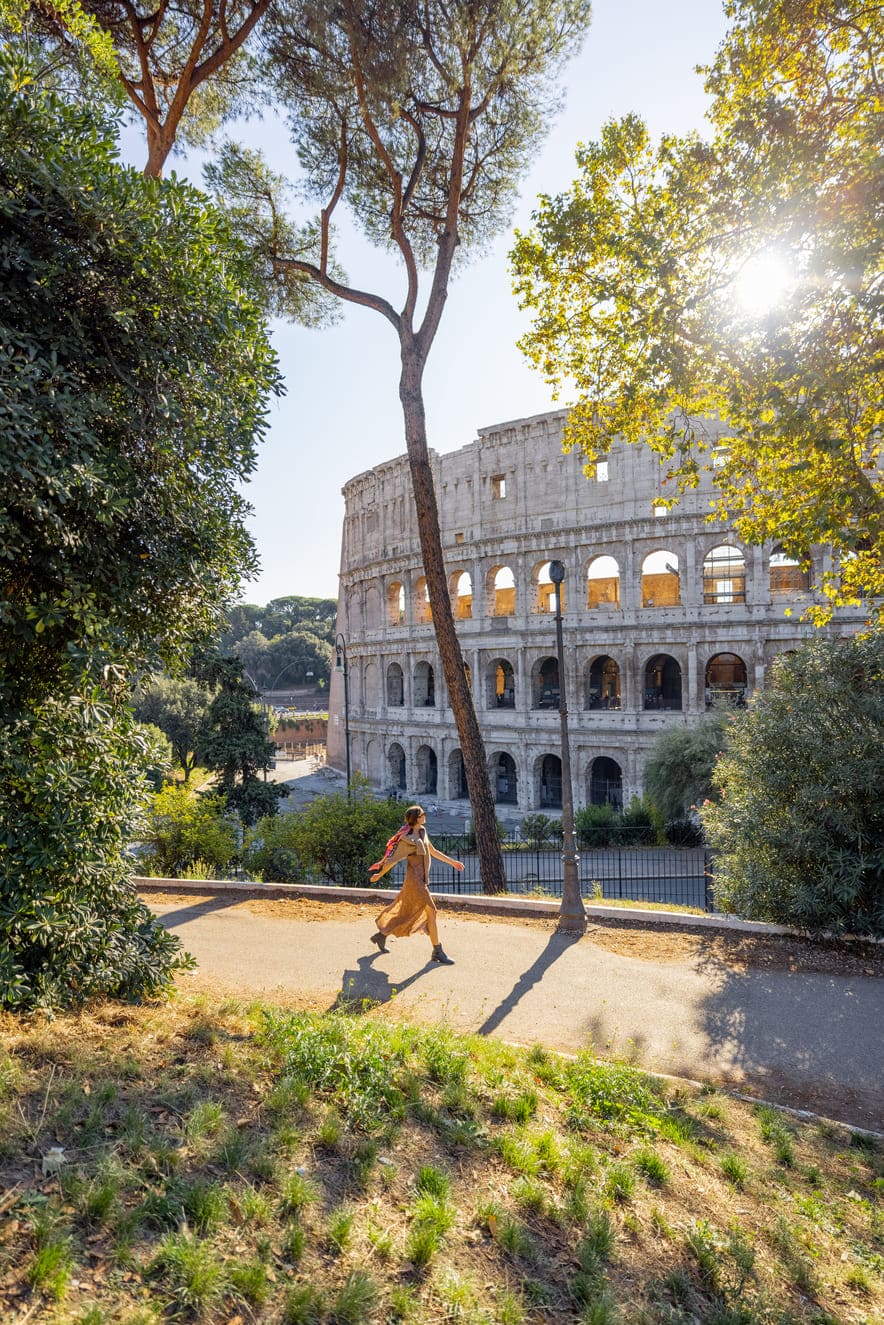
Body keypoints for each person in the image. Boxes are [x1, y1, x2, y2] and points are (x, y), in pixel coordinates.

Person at [368, 805, 463, 965]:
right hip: (415, 881)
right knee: (431, 911)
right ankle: (437, 951)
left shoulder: (422, 831)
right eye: (422, 814)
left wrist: (452, 862)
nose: (425, 815)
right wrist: (380, 874)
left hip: (422, 880)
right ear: (415, 819)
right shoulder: (407, 839)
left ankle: (381, 935)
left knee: (406, 913)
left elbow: (432, 851)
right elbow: (393, 860)